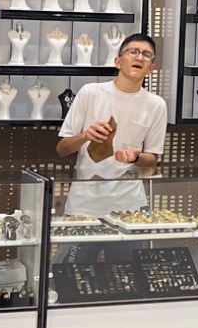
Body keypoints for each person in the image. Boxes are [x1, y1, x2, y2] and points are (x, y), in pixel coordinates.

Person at [56, 31, 167, 215]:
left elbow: (152, 160)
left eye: (146, 54)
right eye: (133, 51)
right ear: (118, 62)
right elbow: (62, 149)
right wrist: (85, 136)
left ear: (151, 69)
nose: (139, 57)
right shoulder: (90, 93)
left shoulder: (156, 105)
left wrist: (135, 157)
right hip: (84, 205)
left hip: (130, 207)